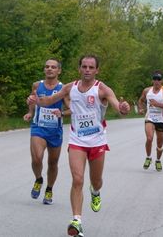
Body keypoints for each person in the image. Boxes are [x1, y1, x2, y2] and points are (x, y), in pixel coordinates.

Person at [27, 55, 130, 237]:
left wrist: (122, 107)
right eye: (84, 67)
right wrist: (35, 101)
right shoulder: (70, 88)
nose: (87, 70)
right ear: (79, 69)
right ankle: (77, 220)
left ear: (97, 70)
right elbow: (48, 101)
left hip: (97, 141)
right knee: (78, 179)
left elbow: (117, 107)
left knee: (95, 180)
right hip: (77, 140)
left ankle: (95, 191)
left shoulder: (102, 89)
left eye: (91, 67)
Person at [23, 58, 70, 205]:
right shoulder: (37, 85)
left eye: (53, 67)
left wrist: (62, 113)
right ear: (44, 70)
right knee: (37, 158)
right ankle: (38, 179)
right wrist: (30, 112)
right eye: (47, 67)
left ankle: (49, 189)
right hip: (39, 127)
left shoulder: (64, 89)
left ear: (59, 71)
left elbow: (71, 109)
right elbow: (33, 100)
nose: (50, 69)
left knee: (53, 162)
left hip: (55, 130)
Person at [138, 70, 163, 171]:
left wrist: (157, 104)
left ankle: (158, 160)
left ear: (162, 81)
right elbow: (141, 100)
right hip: (149, 118)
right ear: (152, 80)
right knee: (149, 138)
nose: (156, 81)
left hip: (161, 120)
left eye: (159, 79)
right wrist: (140, 108)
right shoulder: (146, 91)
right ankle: (148, 157)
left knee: (159, 144)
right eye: (155, 79)